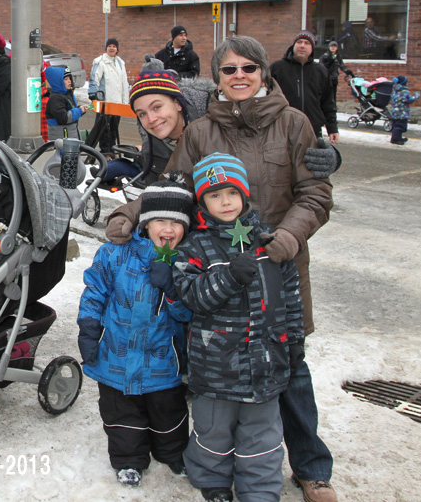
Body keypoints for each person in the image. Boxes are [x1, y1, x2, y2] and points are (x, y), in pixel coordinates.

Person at [106, 36, 336, 502]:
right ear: (218, 76)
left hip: (278, 267)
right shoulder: (202, 131)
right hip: (219, 274)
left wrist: (286, 240)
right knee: (219, 369)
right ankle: (223, 464)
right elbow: (172, 188)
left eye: (248, 68)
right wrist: (129, 217)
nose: (239, 76)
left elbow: (316, 195)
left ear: (264, 74)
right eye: (228, 69)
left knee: (290, 368)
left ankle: (311, 469)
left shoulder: (294, 124)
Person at [174, 153, 304, 502]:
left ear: (244, 194)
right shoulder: (195, 247)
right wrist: (229, 277)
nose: (225, 202)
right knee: (213, 430)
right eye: (214, 196)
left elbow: (290, 296)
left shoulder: (269, 244)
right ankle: (211, 479)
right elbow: (192, 296)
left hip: (266, 363)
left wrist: (293, 339)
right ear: (202, 202)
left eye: (231, 192)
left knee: (261, 435)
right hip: (216, 366)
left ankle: (260, 490)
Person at [77, 174, 195, 487]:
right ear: (145, 222)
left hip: (162, 363)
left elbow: (188, 312)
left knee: (167, 412)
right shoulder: (116, 253)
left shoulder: (187, 263)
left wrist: (172, 287)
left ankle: (172, 451)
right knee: (120, 413)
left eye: (176, 222)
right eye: (160, 221)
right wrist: (88, 329)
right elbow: (95, 291)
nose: (168, 230)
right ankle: (129, 459)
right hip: (115, 356)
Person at [270, 31, 339, 143]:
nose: (302, 45)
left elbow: (328, 102)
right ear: (293, 45)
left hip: (312, 129)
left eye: (307, 43)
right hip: (282, 129)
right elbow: (265, 98)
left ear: (312, 48)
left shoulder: (321, 71)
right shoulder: (277, 68)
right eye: (299, 42)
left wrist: (332, 128)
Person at [88, 37, 130, 153]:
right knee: (103, 129)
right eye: (110, 46)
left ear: (117, 49)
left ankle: (112, 150)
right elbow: (94, 79)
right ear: (106, 48)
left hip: (118, 103)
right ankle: (105, 151)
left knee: (114, 129)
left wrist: (125, 101)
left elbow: (124, 83)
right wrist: (93, 94)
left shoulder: (121, 63)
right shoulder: (100, 61)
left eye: (114, 46)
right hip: (105, 103)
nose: (112, 48)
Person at [45, 65, 89, 140]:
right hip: (62, 139)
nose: (69, 81)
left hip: (70, 136)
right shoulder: (55, 98)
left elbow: (71, 111)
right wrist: (79, 111)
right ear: (58, 82)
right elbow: (64, 118)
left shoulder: (68, 94)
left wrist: (80, 110)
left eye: (70, 78)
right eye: (66, 79)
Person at [388, 75, 421, 145]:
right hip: (402, 113)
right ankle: (395, 139)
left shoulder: (394, 91)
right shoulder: (405, 92)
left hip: (395, 112)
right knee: (400, 126)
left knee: (396, 126)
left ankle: (398, 137)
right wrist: (417, 94)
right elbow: (411, 100)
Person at [318, 41, 349, 105]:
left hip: (334, 78)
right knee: (326, 95)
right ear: (329, 47)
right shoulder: (324, 56)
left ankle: (333, 108)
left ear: (337, 48)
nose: (333, 48)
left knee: (333, 95)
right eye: (331, 46)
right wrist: (329, 61)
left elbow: (342, 66)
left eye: (334, 46)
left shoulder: (338, 57)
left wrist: (348, 72)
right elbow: (321, 67)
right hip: (326, 79)